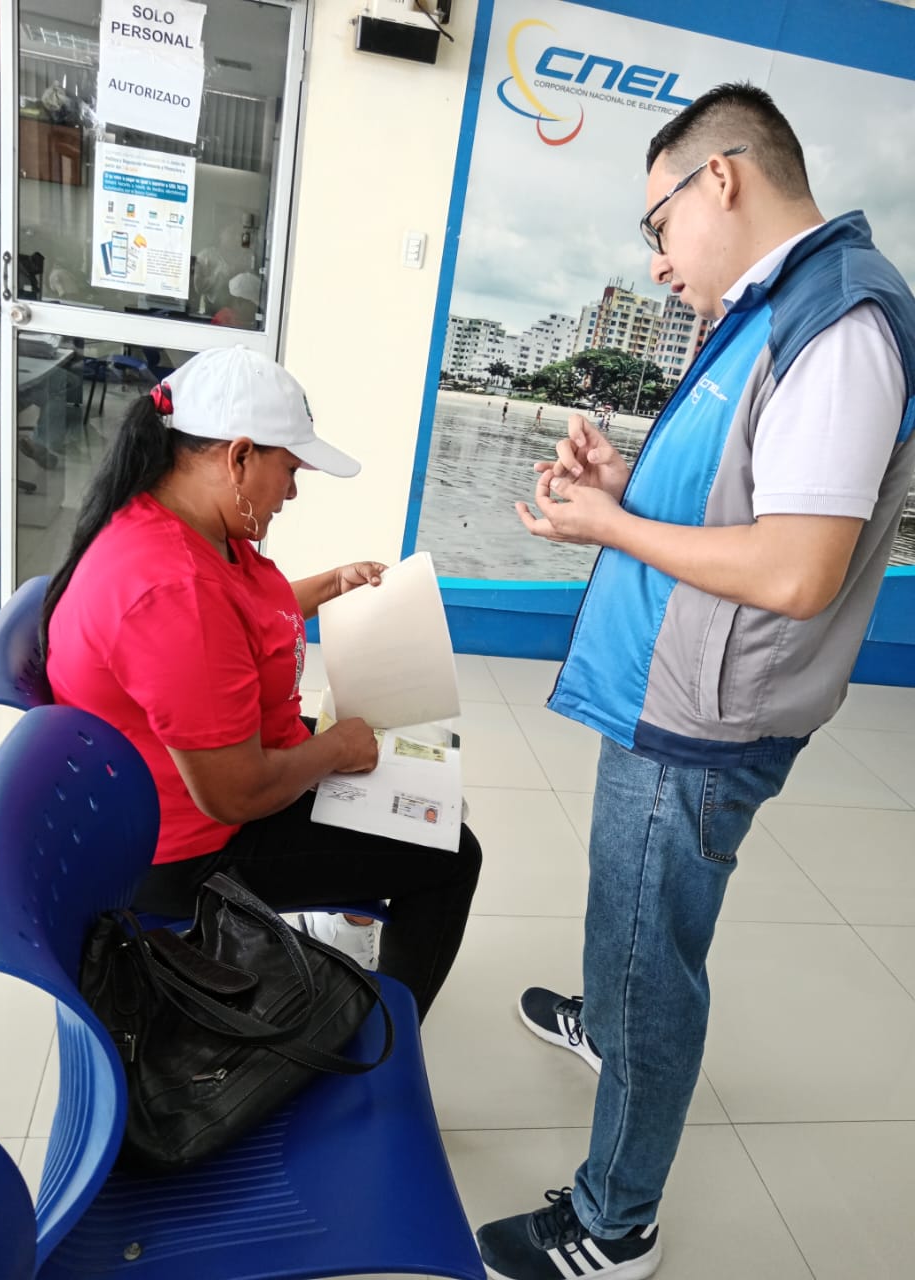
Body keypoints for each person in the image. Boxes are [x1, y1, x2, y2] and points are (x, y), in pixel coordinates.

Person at [476, 82, 915, 1279]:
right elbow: (739, 500)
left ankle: (614, 1222)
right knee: (623, 910)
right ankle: (609, 1021)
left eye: (657, 224)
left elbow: (796, 568)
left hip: (706, 721)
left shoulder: (838, 321)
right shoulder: (767, 310)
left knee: (653, 952)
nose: (658, 259)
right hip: (663, 685)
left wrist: (611, 528)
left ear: (720, 176)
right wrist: (625, 487)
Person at [42, 345, 481, 1021]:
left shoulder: (182, 528)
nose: (293, 493)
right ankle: (385, 1033)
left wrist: (331, 586)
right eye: (292, 470)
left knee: (426, 792)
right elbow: (233, 793)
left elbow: (236, 621)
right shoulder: (172, 588)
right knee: (452, 851)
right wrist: (335, 750)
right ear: (239, 456)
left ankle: (345, 920)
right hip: (189, 848)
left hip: (206, 775)